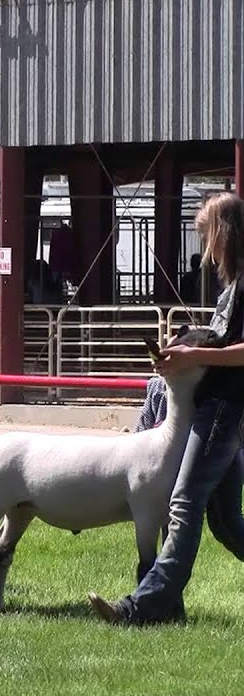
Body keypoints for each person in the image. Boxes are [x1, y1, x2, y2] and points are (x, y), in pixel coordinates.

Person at [89, 192, 244, 624]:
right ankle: (162, 605)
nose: (206, 249)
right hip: (218, 410)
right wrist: (184, 346)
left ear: (224, 232)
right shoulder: (234, 285)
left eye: (206, 234)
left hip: (222, 412)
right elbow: (221, 340)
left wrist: (193, 358)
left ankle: (141, 608)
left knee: (184, 503)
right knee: (228, 524)